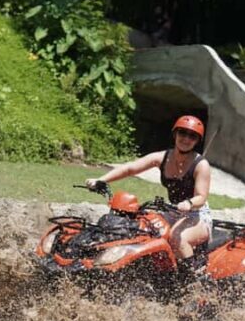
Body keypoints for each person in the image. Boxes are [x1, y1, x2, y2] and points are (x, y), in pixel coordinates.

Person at [86, 115, 212, 275]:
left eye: (192, 136)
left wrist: (189, 203)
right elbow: (130, 168)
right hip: (172, 211)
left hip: (196, 214)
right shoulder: (162, 157)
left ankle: (192, 281)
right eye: (182, 133)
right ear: (175, 134)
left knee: (177, 238)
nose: (186, 139)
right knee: (142, 227)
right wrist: (101, 179)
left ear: (197, 141)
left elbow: (201, 197)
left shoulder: (201, 165)